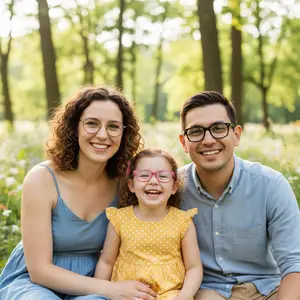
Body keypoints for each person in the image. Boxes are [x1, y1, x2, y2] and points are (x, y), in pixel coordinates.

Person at [0, 87, 157, 300]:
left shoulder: (124, 184)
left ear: (124, 133)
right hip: (33, 282)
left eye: (113, 126)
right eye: (92, 123)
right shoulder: (42, 179)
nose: (103, 135)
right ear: (74, 127)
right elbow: (39, 271)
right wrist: (110, 289)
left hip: (94, 280)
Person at [178, 91, 300, 300]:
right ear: (184, 142)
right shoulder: (172, 189)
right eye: (196, 131)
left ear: (236, 135)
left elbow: (293, 263)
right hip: (207, 292)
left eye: (218, 128)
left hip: (268, 288)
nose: (208, 140)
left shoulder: (271, 186)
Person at [94, 148, 203, 300]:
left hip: (170, 294)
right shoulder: (119, 219)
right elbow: (106, 262)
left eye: (163, 176)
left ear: (174, 187)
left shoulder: (182, 222)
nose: (153, 181)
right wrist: (101, 292)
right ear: (131, 185)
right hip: (126, 293)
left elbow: (194, 267)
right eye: (144, 175)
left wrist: (184, 296)